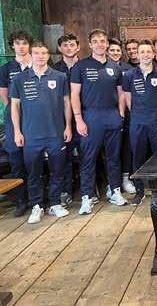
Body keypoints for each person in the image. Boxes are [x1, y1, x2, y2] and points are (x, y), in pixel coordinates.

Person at [10, 41, 73, 224]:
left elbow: (67, 103)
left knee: (57, 171)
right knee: (33, 173)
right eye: (36, 53)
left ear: (48, 56)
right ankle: (37, 206)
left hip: (55, 134)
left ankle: (55, 203)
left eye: (44, 53)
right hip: (31, 135)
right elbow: (14, 106)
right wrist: (17, 132)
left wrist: (68, 126)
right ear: (31, 55)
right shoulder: (20, 79)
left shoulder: (60, 77)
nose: (40, 56)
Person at [71, 29, 128, 215]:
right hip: (91, 117)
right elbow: (74, 95)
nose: (99, 44)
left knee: (114, 157)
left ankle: (115, 191)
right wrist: (79, 119)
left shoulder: (115, 67)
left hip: (112, 117)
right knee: (88, 159)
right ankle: (87, 197)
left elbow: (121, 93)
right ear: (90, 44)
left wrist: (120, 114)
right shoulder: (81, 66)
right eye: (95, 41)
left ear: (107, 44)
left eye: (102, 41)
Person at [123, 40, 157, 205]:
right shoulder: (129, 75)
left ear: (153, 54)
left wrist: (154, 112)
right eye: (142, 52)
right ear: (137, 54)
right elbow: (128, 101)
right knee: (138, 155)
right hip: (137, 122)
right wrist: (141, 113)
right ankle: (139, 190)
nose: (145, 55)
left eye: (148, 52)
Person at [0, 30, 33, 217]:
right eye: (18, 43)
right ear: (12, 45)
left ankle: (37, 197)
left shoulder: (38, 64)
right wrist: (15, 113)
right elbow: (5, 98)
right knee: (16, 158)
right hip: (15, 118)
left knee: (35, 158)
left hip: (35, 118)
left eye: (25, 43)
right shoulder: (6, 69)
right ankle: (21, 200)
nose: (21, 46)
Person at [53, 33, 81, 206]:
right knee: (65, 158)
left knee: (87, 156)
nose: (69, 48)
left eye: (72, 45)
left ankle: (89, 191)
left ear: (78, 47)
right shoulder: (54, 70)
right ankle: (66, 191)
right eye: (65, 45)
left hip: (84, 118)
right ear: (59, 48)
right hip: (62, 121)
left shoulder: (85, 66)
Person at [107, 38, 136, 195]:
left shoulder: (128, 69)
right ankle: (112, 183)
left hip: (128, 115)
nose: (115, 53)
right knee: (111, 149)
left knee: (127, 146)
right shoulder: (102, 68)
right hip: (110, 114)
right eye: (112, 50)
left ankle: (125, 178)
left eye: (118, 50)